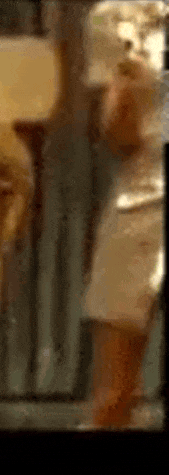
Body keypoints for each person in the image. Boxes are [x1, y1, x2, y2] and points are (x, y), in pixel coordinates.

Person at [85, 55, 164, 428]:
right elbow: (118, 138)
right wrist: (128, 91)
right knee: (115, 390)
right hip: (140, 211)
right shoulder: (135, 37)